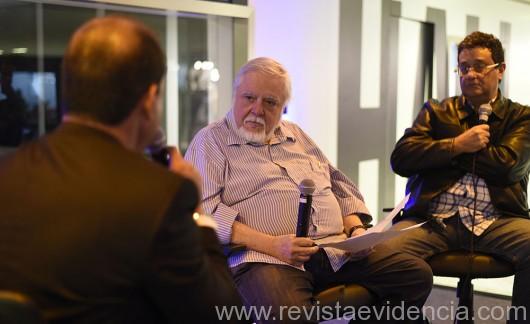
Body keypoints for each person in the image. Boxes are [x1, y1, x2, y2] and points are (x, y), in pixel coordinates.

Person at [0, 16, 242, 323]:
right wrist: (199, 214)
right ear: (149, 100)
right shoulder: (161, 196)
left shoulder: (6, 172)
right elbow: (221, 314)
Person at [184, 57, 433, 323]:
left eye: (270, 102)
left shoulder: (296, 135)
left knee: (415, 275)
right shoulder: (211, 142)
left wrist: (356, 230)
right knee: (289, 315)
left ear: (284, 107)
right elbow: (204, 213)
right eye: (249, 97)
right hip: (265, 258)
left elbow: (339, 185)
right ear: (235, 96)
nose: (257, 109)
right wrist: (273, 245)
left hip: (334, 250)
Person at [389, 31, 530, 323]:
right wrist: (458, 144)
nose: (470, 74)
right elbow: (402, 158)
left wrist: (439, 154)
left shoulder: (521, 117)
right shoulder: (437, 110)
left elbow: (508, 166)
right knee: (379, 254)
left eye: (479, 66)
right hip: (431, 219)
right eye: (463, 67)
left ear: (500, 70)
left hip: (498, 220)